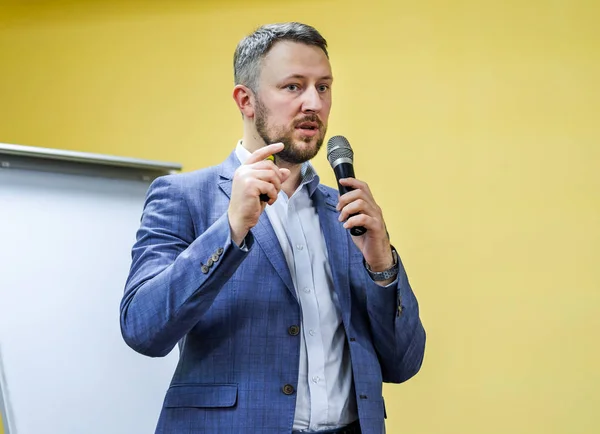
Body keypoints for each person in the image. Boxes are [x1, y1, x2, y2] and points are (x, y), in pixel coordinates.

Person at [120, 22, 426, 434]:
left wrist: (381, 264)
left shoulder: (348, 213)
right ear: (245, 100)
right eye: (293, 87)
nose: (314, 104)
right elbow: (143, 329)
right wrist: (230, 229)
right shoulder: (183, 197)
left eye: (324, 87)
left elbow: (404, 363)